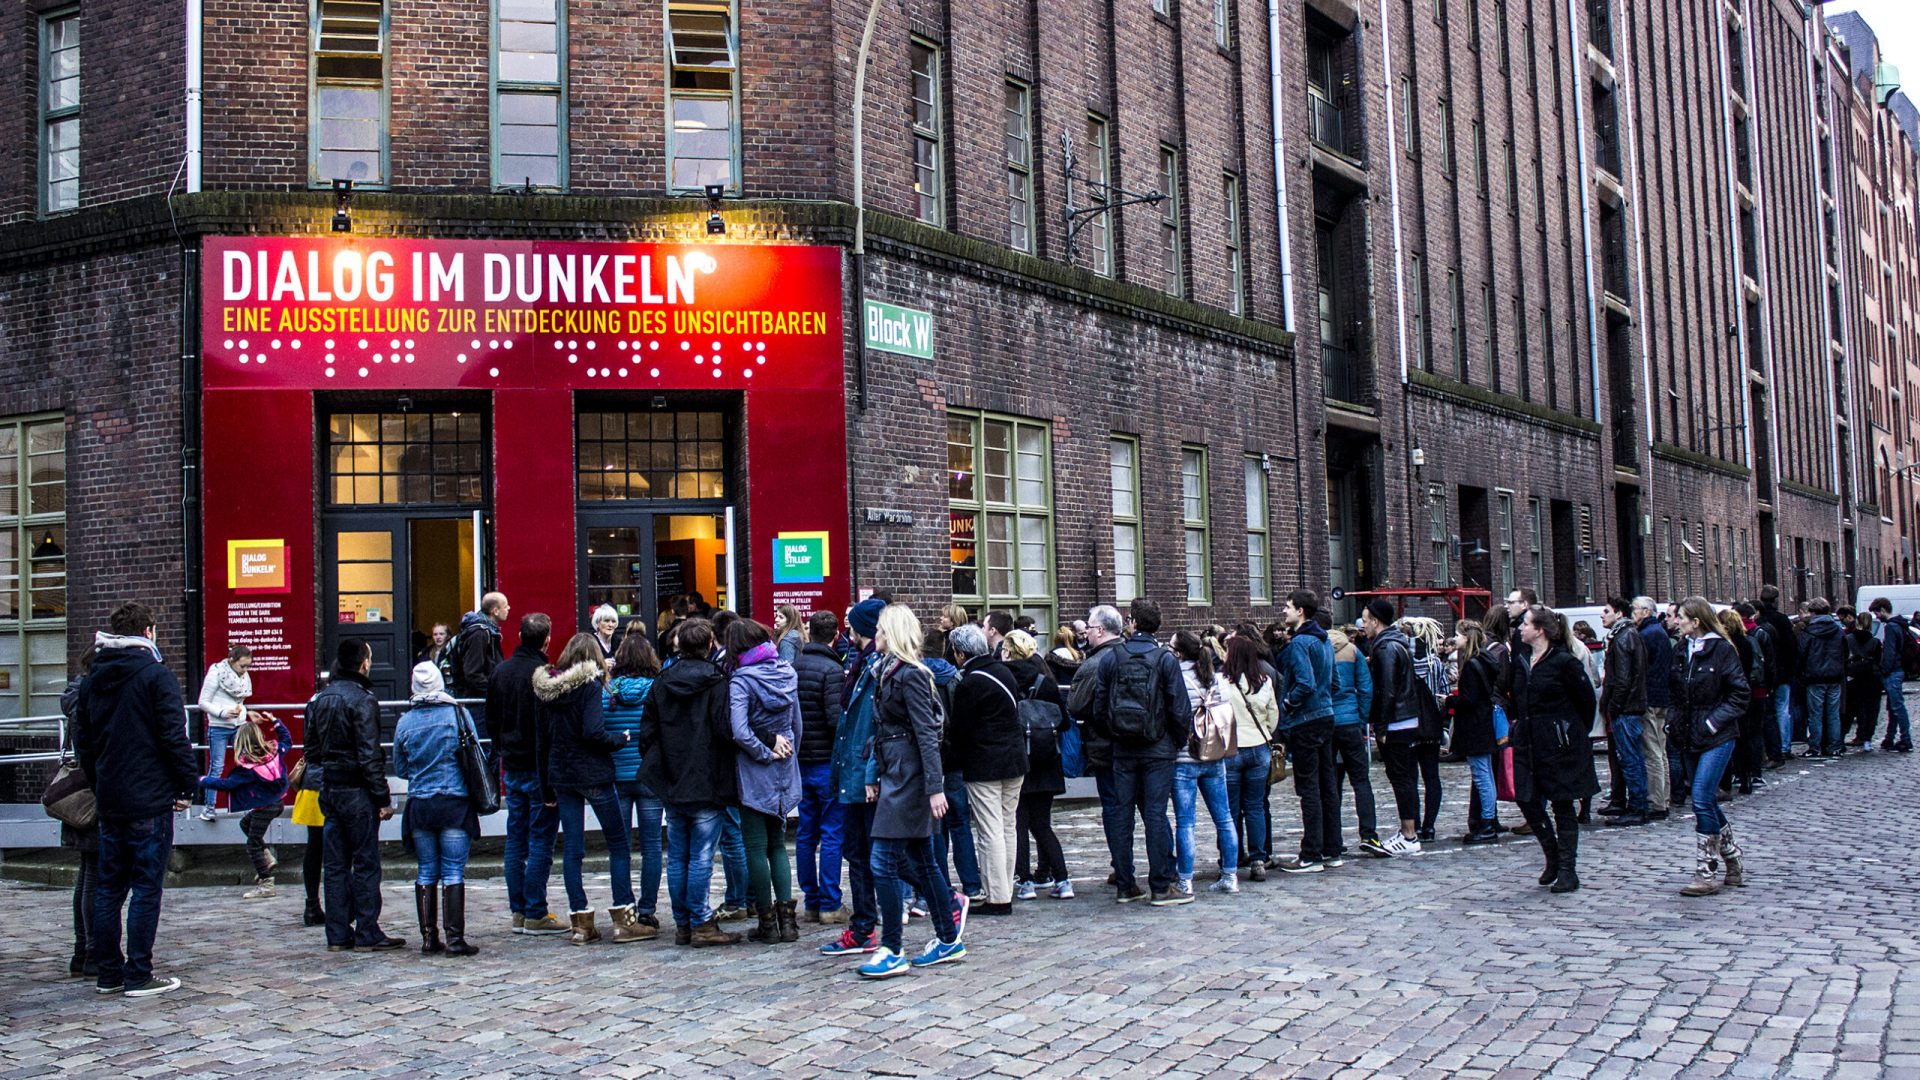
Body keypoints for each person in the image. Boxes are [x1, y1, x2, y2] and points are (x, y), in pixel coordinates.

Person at [72, 602, 198, 996]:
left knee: (109, 887)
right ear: (148, 632)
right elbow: (173, 737)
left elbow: (85, 743)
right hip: (150, 799)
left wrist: (100, 783)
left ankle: (108, 973)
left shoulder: (94, 679)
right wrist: (187, 785)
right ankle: (138, 973)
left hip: (112, 798)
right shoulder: (155, 675)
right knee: (146, 886)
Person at [856, 604, 968, 978]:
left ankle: (892, 947)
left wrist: (935, 788)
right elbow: (881, 730)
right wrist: (874, 772)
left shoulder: (911, 675)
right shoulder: (889, 671)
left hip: (909, 778)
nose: (876, 637)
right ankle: (948, 937)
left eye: (881, 631)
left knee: (883, 862)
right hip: (897, 772)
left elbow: (926, 734)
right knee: (921, 861)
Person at [537, 633, 646, 945]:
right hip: (592, 773)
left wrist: (546, 785)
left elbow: (542, 742)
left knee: (573, 849)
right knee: (618, 842)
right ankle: (625, 920)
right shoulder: (589, 687)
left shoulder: (549, 690)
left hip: (562, 775)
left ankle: (580, 922)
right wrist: (621, 739)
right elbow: (593, 732)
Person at [639, 619, 742, 947]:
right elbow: (726, 730)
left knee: (680, 854)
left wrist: (662, 765)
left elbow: (647, 733)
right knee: (700, 855)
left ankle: (685, 921)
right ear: (711, 643)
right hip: (706, 778)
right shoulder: (717, 682)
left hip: (673, 777)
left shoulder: (662, 681)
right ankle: (698, 921)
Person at [1091, 598, 1192, 906]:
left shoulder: (1112, 658)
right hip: (1158, 748)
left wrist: (1115, 732)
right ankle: (1161, 885)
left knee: (1121, 815)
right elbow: (1179, 708)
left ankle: (1125, 884)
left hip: (1122, 748)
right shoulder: (1165, 659)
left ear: (1131, 622)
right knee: (1156, 814)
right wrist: (1174, 741)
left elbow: (1099, 707)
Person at [306, 638, 404, 952]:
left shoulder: (320, 699)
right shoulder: (362, 700)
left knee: (334, 864)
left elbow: (312, 751)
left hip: (331, 787)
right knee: (365, 861)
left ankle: (337, 932)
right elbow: (369, 755)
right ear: (363, 663)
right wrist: (382, 797)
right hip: (356, 790)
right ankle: (366, 929)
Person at [391, 662, 483, 956]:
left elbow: (401, 768)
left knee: (426, 869)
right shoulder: (458, 714)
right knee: (454, 870)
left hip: (420, 803)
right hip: (454, 801)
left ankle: (429, 937)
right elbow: (475, 756)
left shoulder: (405, 722)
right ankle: (455, 938)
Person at [725, 619, 804, 944]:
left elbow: (739, 729)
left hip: (754, 769)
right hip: (785, 767)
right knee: (778, 845)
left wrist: (763, 753)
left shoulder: (741, 680)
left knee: (755, 846)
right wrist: (787, 756)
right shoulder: (787, 672)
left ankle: (767, 923)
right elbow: (796, 725)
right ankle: (788, 923)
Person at [1511, 606, 1599, 893]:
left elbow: (1586, 701)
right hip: (1528, 738)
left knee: (1562, 803)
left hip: (1558, 741)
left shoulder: (1564, 662)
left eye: (1525, 624)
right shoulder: (1523, 659)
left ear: (1540, 630)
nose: (1520, 628)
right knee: (1527, 798)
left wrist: (1568, 730)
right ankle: (1551, 854)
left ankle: (1567, 868)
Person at [487, 613, 564, 935]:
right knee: (540, 841)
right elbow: (550, 730)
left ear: (519, 635)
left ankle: (519, 910)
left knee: (516, 839)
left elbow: (490, 721)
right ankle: (535, 911)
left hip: (513, 765)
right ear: (546, 640)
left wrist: (504, 748)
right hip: (538, 767)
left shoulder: (501, 672)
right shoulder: (544, 675)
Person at [820, 597, 888, 955]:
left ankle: (946, 903)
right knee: (858, 852)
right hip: (852, 772)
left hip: (864, 776)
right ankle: (864, 927)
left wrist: (869, 773)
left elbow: (876, 727)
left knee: (881, 855)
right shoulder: (859, 664)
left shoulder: (875, 669)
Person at [1671, 597, 1752, 896]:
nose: (1676, 621)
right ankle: (1732, 855)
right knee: (1705, 799)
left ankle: (1706, 870)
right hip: (1689, 733)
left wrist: (1713, 722)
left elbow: (1739, 693)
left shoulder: (1721, 650)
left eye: (1681, 616)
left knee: (1702, 796)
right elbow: (1675, 691)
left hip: (1716, 733)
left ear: (1696, 621)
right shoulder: (1681, 650)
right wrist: (1674, 721)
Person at [944, 623, 1026, 916]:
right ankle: (1004, 889)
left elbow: (961, 729)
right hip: (1014, 759)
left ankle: (998, 897)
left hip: (984, 763)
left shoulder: (970, 682)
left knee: (990, 830)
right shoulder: (1004, 671)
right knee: (1007, 826)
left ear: (960, 653)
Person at [603, 634, 665, 933]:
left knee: (620, 847)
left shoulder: (608, 691)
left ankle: (624, 909)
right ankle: (647, 909)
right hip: (649, 775)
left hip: (617, 775)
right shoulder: (657, 690)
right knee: (652, 846)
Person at [1272, 590, 1337, 872]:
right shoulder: (1325, 641)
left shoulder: (1300, 643)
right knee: (1327, 785)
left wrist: (1287, 703)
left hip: (1306, 720)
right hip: (1326, 715)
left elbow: (1305, 683)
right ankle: (1332, 848)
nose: (1284, 612)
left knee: (1308, 787)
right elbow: (1333, 683)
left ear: (1300, 611)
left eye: (1288, 607)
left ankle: (1311, 853)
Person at [1170, 630, 1239, 894]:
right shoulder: (1215, 678)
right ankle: (1230, 876)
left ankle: (1185, 880)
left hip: (1185, 757)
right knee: (1224, 818)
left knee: (1185, 822)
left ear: (1179, 652)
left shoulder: (1177, 678)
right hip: (1213, 754)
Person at [1006, 629, 1072, 900]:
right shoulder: (1046, 680)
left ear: (1009, 651)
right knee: (1043, 825)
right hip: (1046, 758)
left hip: (1018, 758)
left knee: (1019, 824)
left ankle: (1026, 882)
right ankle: (1063, 879)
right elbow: (1064, 721)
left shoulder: (1005, 678)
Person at [198, 712, 292, 899]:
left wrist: (202, 779)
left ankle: (266, 882)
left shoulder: (247, 770)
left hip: (263, 807)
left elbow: (226, 785)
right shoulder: (275, 753)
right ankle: (267, 856)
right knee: (245, 825)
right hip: (277, 802)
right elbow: (286, 739)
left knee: (252, 844)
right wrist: (275, 721)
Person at [792, 611, 848, 923]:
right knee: (831, 833)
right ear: (835, 635)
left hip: (801, 761)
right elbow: (832, 719)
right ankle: (829, 902)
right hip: (826, 761)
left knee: (805, 833)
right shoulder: (832, 669)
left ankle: (811, 900)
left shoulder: (794, 666)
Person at [1364, 600, 1429, 856]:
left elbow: (1387, 690)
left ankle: (1409, 834)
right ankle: (1409, 832)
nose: (1364, 625)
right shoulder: (1394, 644)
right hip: (1405, 717)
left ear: (1376, 621)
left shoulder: (1387, 648)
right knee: (1406, 777)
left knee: (1401, 777)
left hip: (1397, 721)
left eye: (1366, 619)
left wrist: (1381, 725)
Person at [59, 647, 100, 978]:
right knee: (94, 875)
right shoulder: (89, 699)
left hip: (80, 796)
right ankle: (89, 952)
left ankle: (82, 950)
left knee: (87, 874)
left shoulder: (75, 696)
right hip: (91, 797)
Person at [1325, 627, 1383, 858]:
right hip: (1350, 721)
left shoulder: (1318, 650)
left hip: (1328, 721)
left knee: (1331, 784)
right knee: (1360, 781)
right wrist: (1362, 718)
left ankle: (1334, 838)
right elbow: (1366, 688)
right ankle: (1368, 833)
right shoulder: (1353, 651)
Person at [1598, 597, 1650, 827]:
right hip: (1630, 705)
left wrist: (1614, 706)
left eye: (1607, 611)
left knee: (1630, 759)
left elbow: (1622, 679)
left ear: (1619, 614)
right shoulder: (1628, 635)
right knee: (1631, 758)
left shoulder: (1623, 638)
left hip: (1627, 708)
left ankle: (1638, 807)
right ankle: (1635, 804)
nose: (1602, 615)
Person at [1451, 621, 1503, 844]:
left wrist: (1450, 701)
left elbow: (1469, 699)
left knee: (1482, 776)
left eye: (1457, 635)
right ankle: (1488, 820)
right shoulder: (1484, 660)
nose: (1454, 639)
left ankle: (1488, 823)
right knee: (1486, 774)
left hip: (1475, 725)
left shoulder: (1473, 664)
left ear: (1466, 636)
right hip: (1482, 723)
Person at [195, 645, 253, 820]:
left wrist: (244, 713)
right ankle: (209, 807)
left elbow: (240, 700)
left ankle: (245, 806)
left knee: (245, 764)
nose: (245, 670)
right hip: (219, 725)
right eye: (242, 666)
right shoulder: (216, 673)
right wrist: (222, 713)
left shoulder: (242, 675)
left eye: (248, 666)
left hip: (239, 723)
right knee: (217, 766)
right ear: (232, 661)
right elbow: (202, 702)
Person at [1634, 597, 1675, 819]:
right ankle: (1663, 797)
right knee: (1660, 750)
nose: (1633, 613)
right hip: (1661, 697)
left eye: (1635, 609)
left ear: (1646, 611)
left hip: (1650, 698)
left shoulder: (1647, 635)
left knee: (1653, 751)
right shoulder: (1660, 633)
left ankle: (1657, 801)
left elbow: (1642, 669)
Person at [1757, 585, 1802, 764]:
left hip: (1766, 674)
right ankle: (1784, 746)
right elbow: (1792, 648)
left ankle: (1770, 748)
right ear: (1776, 600)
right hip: (1782, 673)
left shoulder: (1761, 621)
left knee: (1768, 713)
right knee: (1782, 710)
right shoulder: (1782, 620)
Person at [1800, 598, 1846, 757]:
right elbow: (1845, 652)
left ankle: (1815, 747)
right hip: (1834, 676)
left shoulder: (1809, 631)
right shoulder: (1838, 630)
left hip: (1815, 676)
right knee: (1833, 714)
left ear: (1813, 612)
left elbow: (1802, 654)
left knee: (1815, 715)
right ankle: (1834, 746)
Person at [1869, 597, 1915, 752]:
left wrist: (1884, 669)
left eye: (1876, 613)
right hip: (1898, 669)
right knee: (1893, 707)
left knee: (1897, 707)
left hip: (1893, 671)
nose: (1876, 617)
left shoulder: (1891, 627)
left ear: (1882, 610)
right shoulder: (1900, 624)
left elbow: (1889, 652)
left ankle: (1905, 739)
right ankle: (1890, 737)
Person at [1842, 608, 1883, 751]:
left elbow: (1844, 659)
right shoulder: (1875, 642)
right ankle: (1866, 739)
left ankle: (1840, 738)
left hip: (1853, 679)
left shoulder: (1848, 639)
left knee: (1850, 710)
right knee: (1870, 711)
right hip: (1871, 680)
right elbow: (1878, 662)